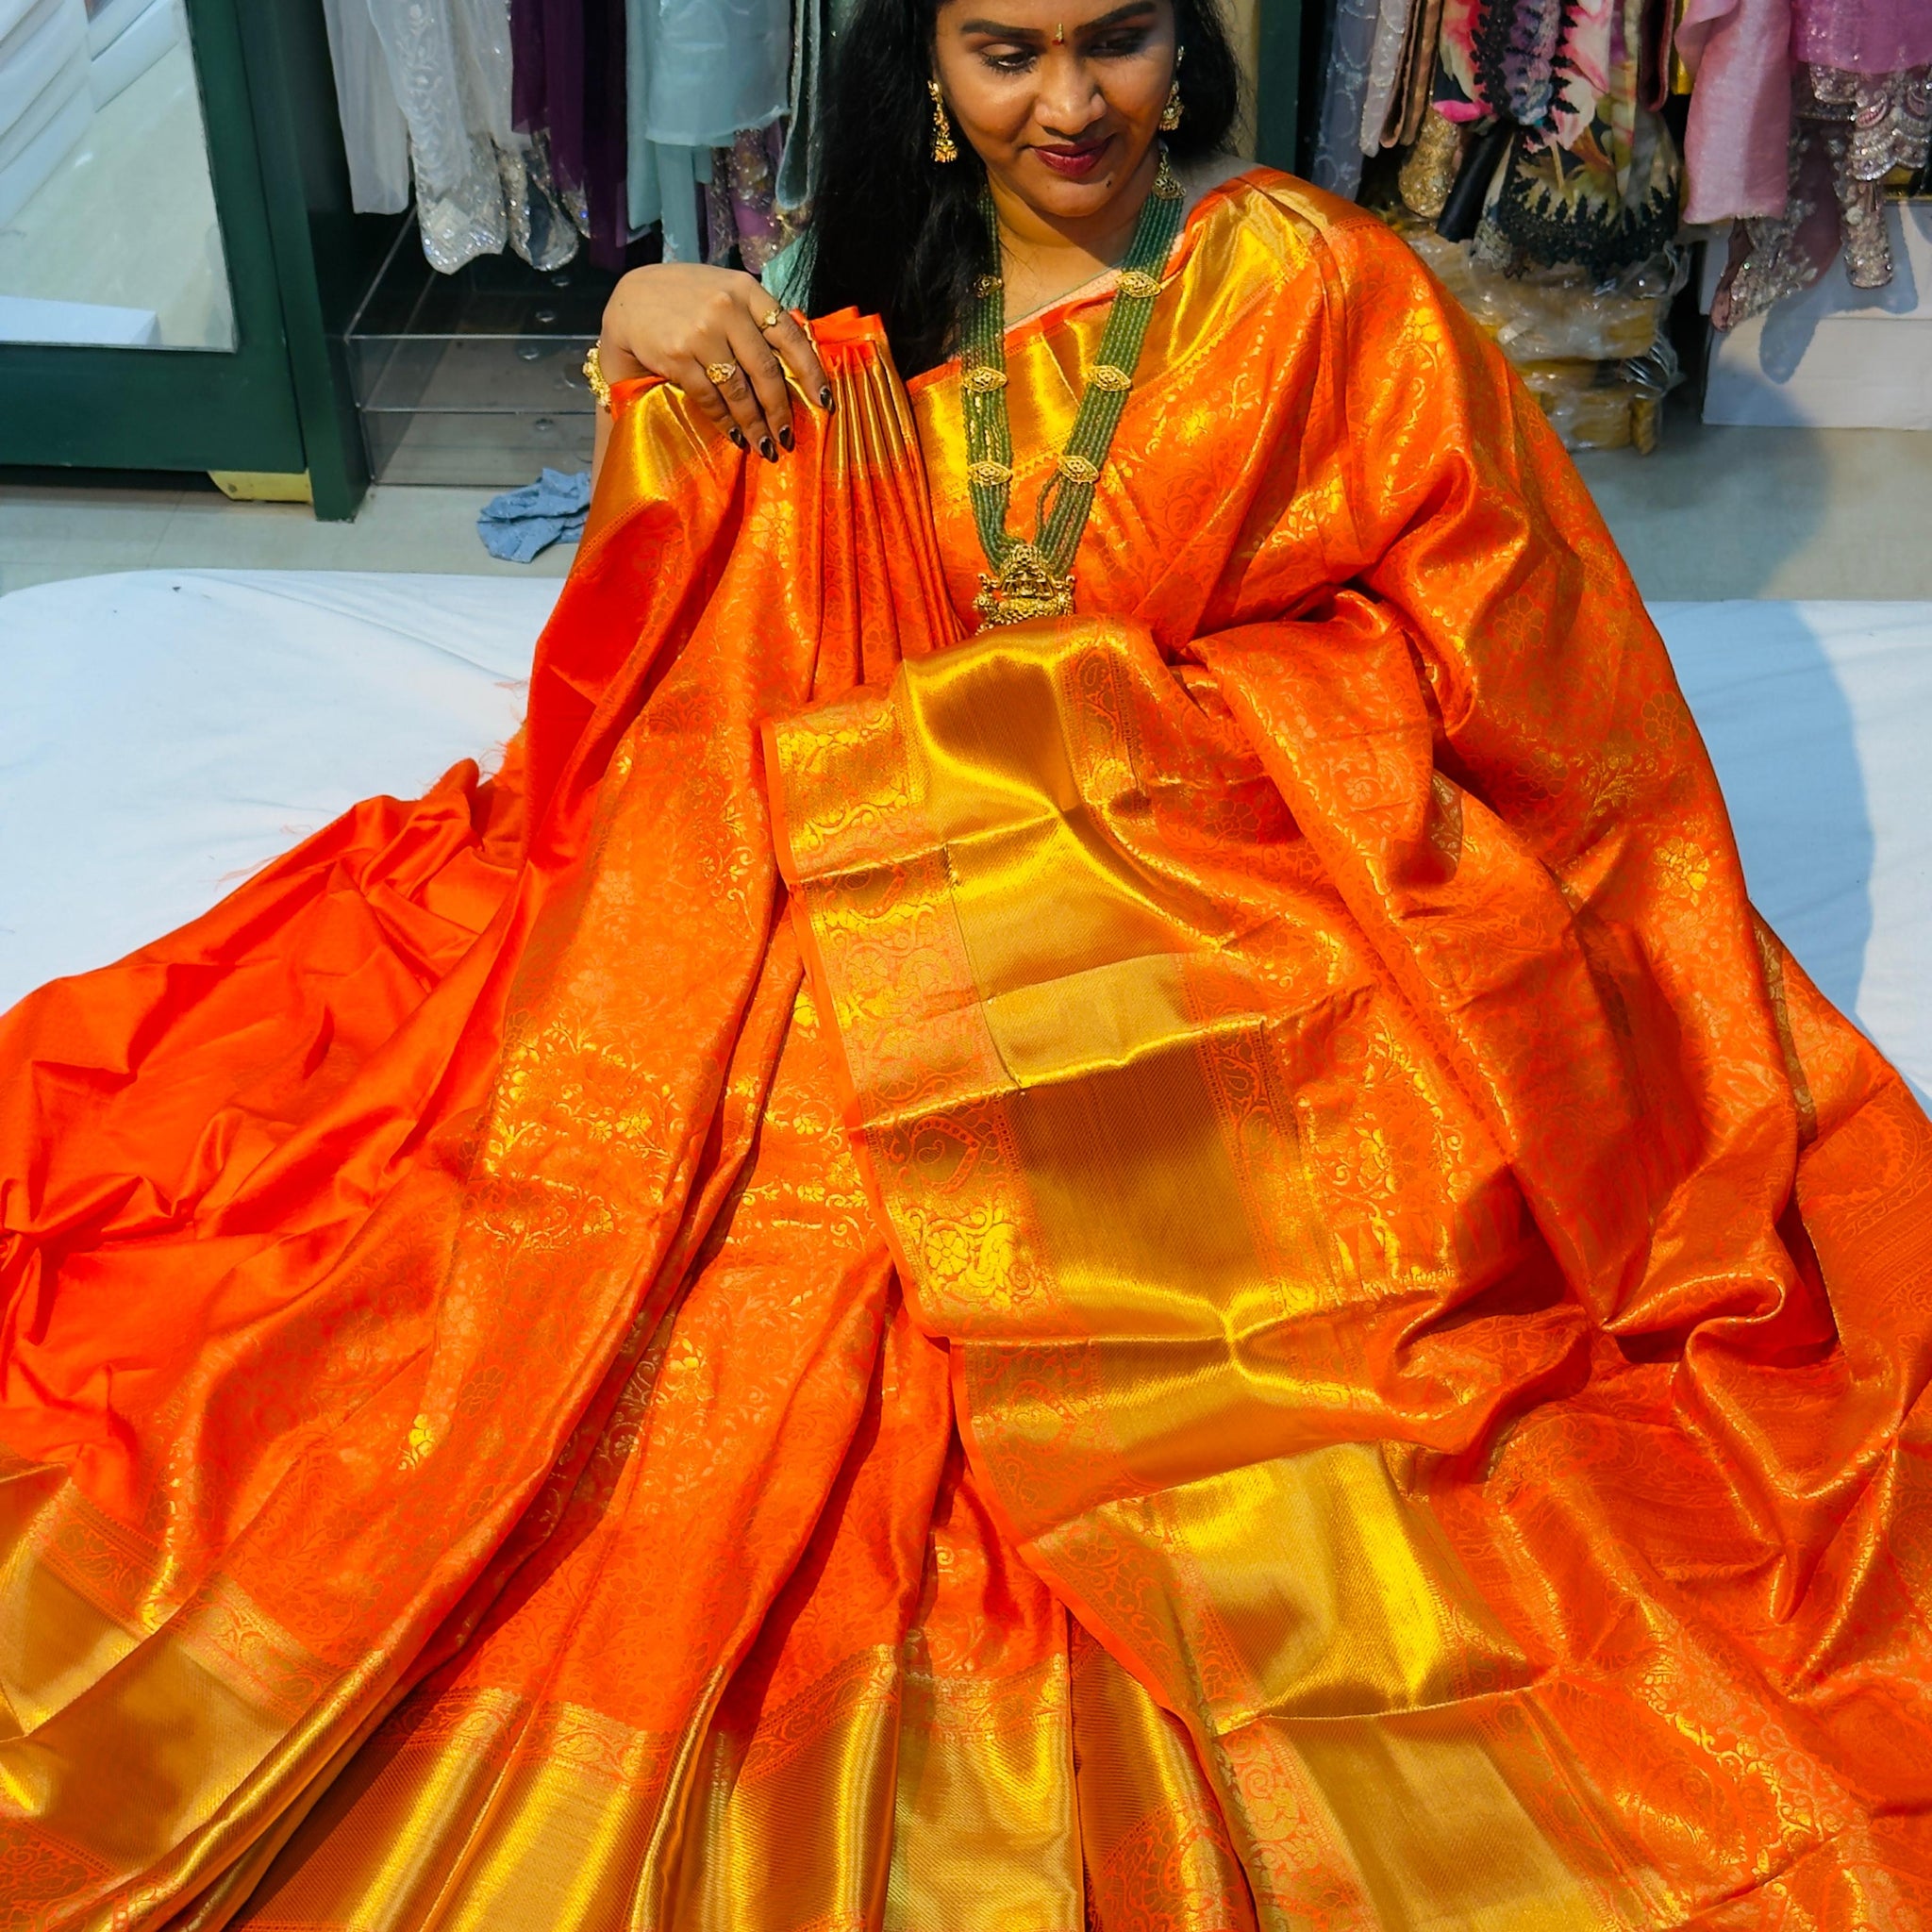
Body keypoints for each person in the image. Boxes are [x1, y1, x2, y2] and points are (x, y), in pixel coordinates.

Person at [2, 0, 1929, 1922]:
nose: (1069, 102)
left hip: (1180, 911)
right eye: (1006, 52)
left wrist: (1161, 738)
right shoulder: (833, 310)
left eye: (1117, 44)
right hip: (820, 897)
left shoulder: (1310, 285)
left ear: (1188, 51)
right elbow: (676, 623)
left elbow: (1521, 654)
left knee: (1322, 1406)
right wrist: (632, 338)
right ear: (922, 73)